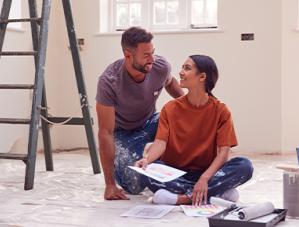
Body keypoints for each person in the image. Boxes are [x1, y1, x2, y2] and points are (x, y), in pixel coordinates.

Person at [135, 54, 253, 205]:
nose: (181, 72)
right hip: (174, 173)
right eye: (182, 68)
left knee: (244, 165)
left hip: (207, 173)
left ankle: (183, 198)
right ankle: (214, 194)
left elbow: (224, 153)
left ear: (202, 76)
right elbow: (160, 143)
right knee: (148, 171)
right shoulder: (170, 108)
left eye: (187, 68)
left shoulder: (221, 111)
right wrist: (146, 160)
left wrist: (204, 179)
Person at [96, 27, 184, 200]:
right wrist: (110, 185)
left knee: (181, 116)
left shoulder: (160, 67)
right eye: (146, 55)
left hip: (150, 123)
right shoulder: (109, 81)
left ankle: (170, 166)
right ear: (128, 55)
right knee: (133, 185)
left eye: (153, 53)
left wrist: (191, 106)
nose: (152, 59)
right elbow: (105, 132)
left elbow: (170, 82)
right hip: (123, 133)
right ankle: (150, 164)